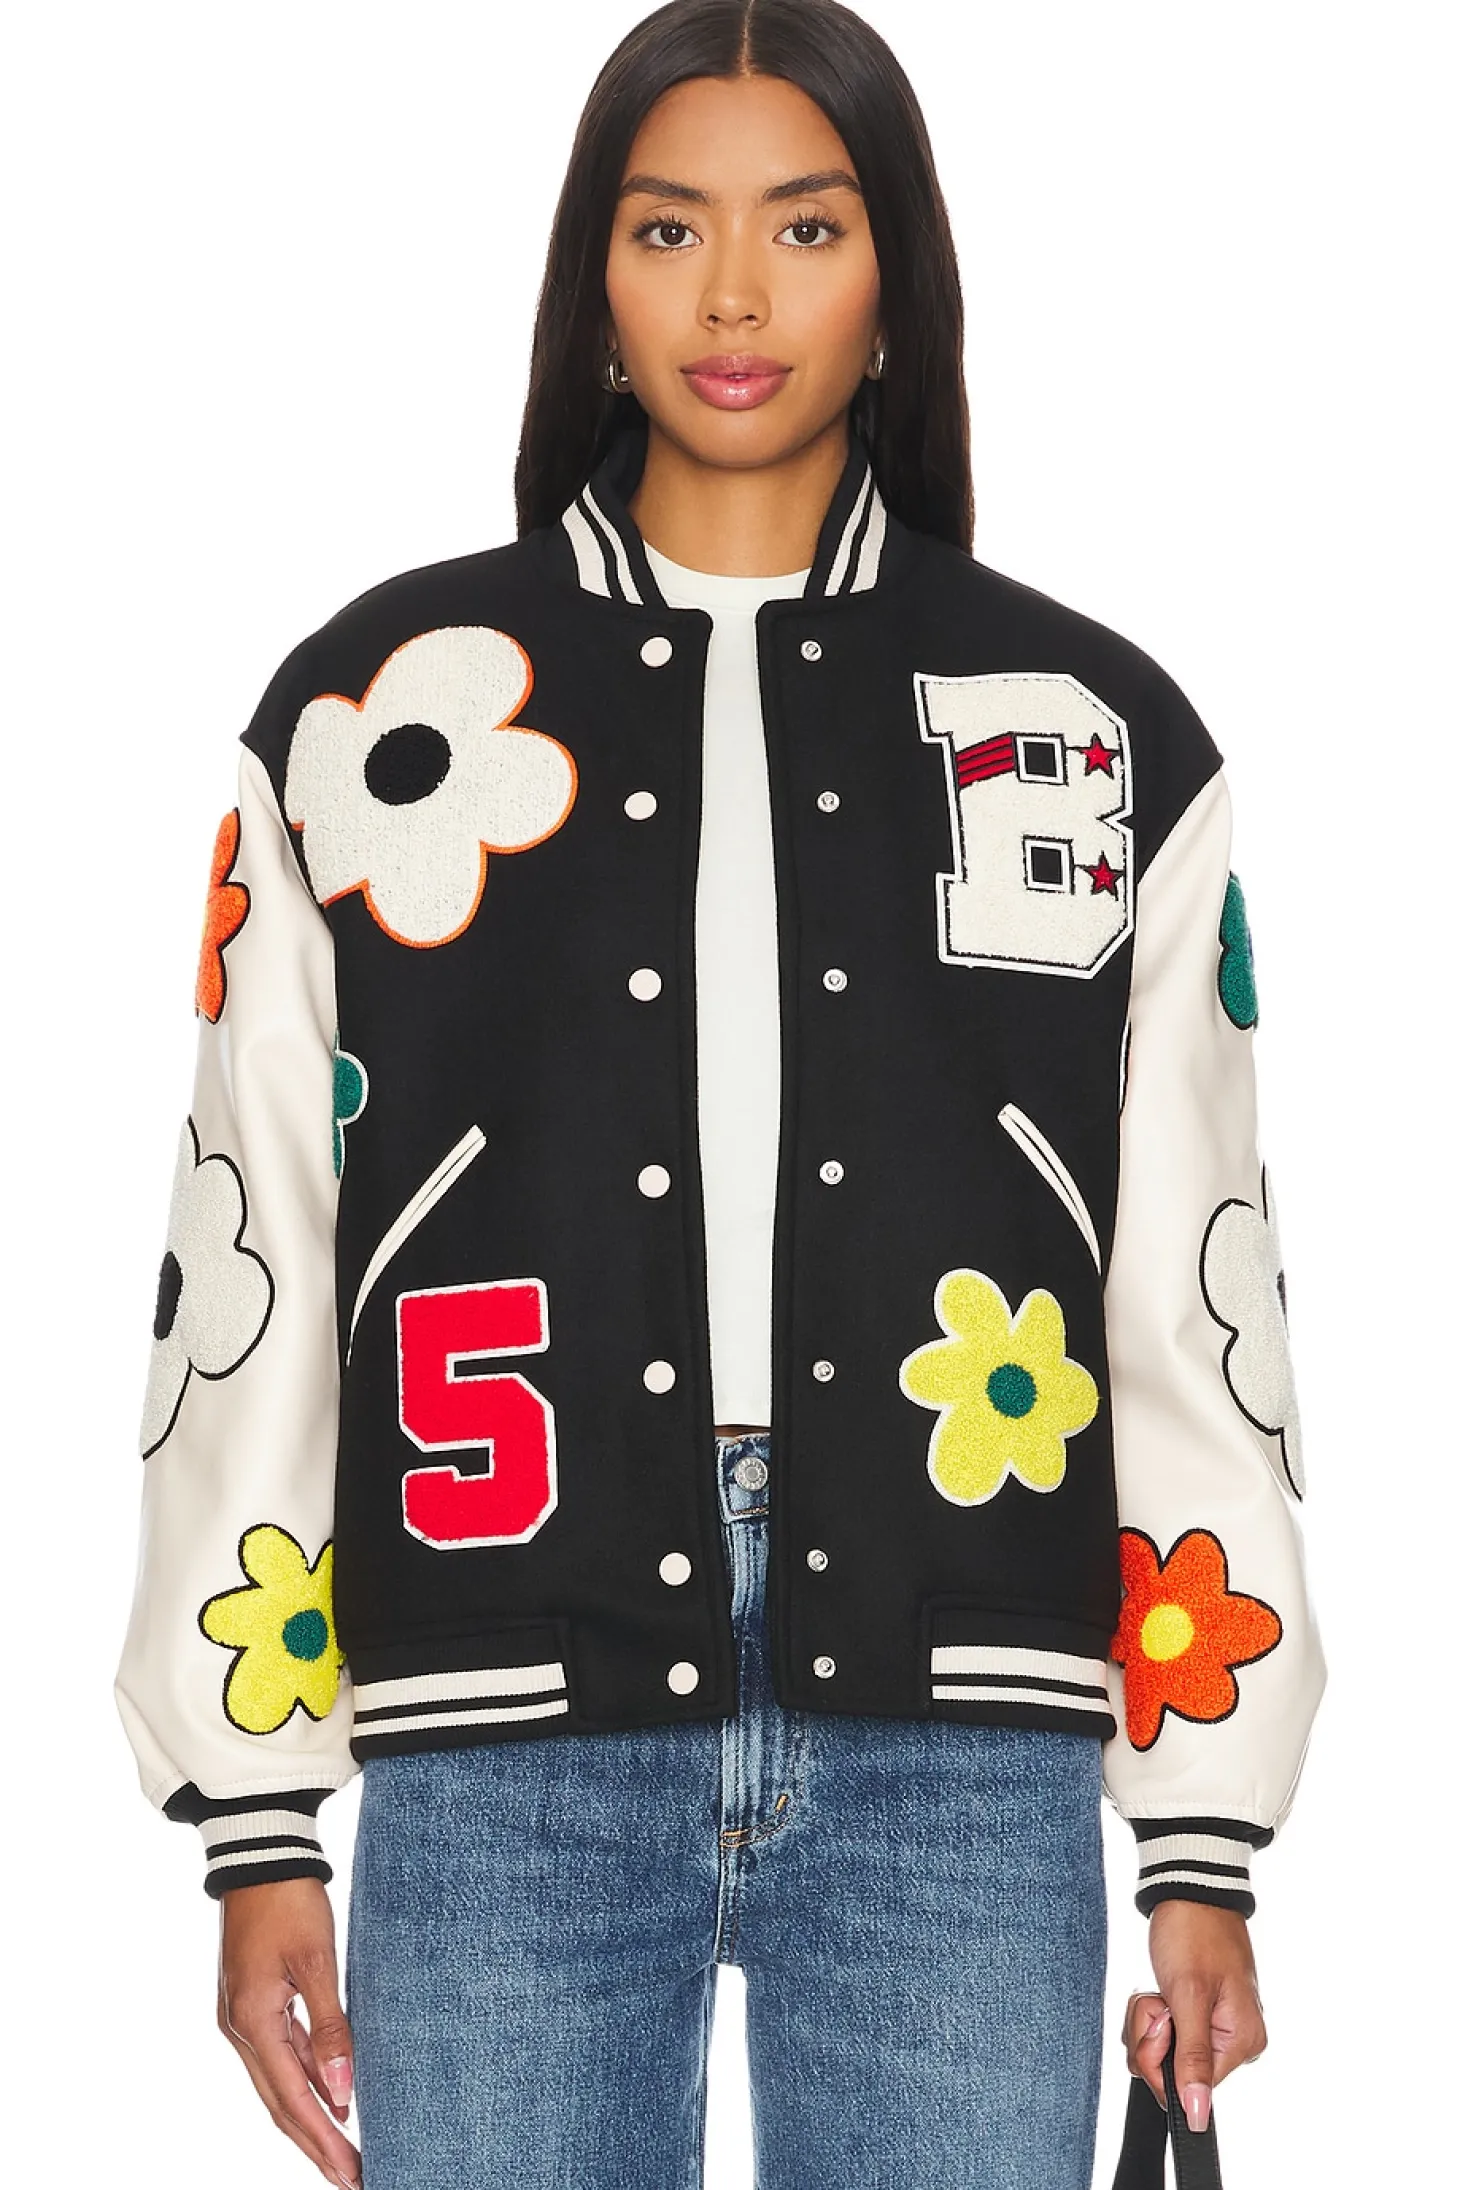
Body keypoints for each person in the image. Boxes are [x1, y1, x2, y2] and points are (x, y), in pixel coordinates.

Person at [113, 4, 1326, 2185]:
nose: (737, 297)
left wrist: (1203, 1836)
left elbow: (1191, 1287)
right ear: (594, 274)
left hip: (967, 1727)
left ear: (898, 278)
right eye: (670, 229)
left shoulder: (1093, 725)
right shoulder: (371, 718)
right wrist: (256, 1816)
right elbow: (251, 1245)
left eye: (808, 228)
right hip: (503, 1715)